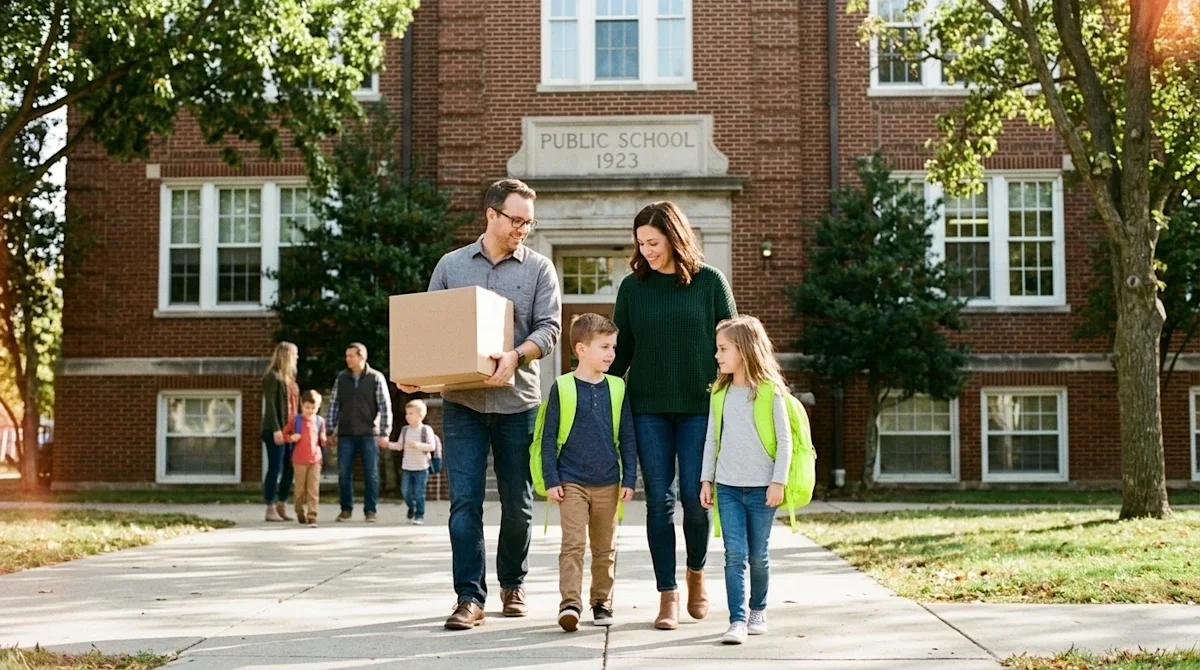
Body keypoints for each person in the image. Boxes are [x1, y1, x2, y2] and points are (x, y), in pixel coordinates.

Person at [399, 178, 562, 631]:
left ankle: (513, 582)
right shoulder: (451, 266)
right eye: (516, 220)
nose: (523, 230)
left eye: (529, 222)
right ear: (491, 214)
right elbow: (431, 331)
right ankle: (469, 597)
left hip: (518, 403)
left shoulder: (539, 270)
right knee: (464, 503)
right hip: (463, 405)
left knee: (518, 502)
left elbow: (550, 329)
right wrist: (420, 376)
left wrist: (515, 355)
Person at [609, 201, 737, 630]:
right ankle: (667, 594)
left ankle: (696, 573)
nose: (646, 250)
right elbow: (620, 354)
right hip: (647, 407)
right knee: (659, 501)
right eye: (641, 243)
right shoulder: (633, 288)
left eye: (654, 242)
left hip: (700, 406)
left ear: (675, 238)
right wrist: (591, 389)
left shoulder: (709, 283)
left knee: (694, 501)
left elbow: (734, 345)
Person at [539, 314, 637, 631]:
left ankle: (601, 602)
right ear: (581, 349)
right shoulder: (562, 387)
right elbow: (548, 437)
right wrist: (552, 480)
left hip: (609, 480)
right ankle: (570, 603)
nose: (611, 353)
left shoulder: (618, 388)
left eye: (613, 347)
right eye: (604, 346)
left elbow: (628, 437)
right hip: (571, 481)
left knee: (604, 548)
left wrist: (630, 478)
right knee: (572, 545)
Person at [699, 316, 793, 645]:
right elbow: (712, 439)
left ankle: (758, 610)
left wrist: (778, 481)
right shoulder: (720, 393)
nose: (717, 355)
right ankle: (737, 620)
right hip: (727, 486)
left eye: (723, 349)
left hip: (762, 488)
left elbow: (785, 441)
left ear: (744, 350)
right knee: (733, 554)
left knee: (758, 556)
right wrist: (706, 479)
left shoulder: (769, 391)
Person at [327, 343, 393, 522]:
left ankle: (370, 510)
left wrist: (384, 432)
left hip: (369, 433)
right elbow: (334, 405)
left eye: (351, 356)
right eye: (347, 356)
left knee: (371, 472)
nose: (347, 359)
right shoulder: (341, 378)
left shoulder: (376, 378)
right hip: (346, 433)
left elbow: (385, 406)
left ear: (362, 356)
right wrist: (330, 430)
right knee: (344, 472)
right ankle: (345, 509)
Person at [262, 342, 300, 523]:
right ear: (286, 355)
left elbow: (295, 408)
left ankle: (281, 504)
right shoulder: (272, 377)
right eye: (295, 354)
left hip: (291, 432)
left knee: (289, 468)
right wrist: (277, 430)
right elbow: (270, 405)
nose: (297, 358)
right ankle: (269, 507)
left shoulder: (290, 380)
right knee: (275, 468)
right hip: (275, 430)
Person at [390, 399, 441, 525]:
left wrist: (418, 445)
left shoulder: (426, 430)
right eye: (407, 413)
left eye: (411, 413)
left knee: (419, 493)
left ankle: (419, 515)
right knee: (405, 491)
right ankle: (411, 506)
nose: (408, 416)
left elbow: (431, 447)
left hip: (422, 467)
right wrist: (388, 444)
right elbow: (400, 445)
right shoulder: (405, 430)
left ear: (420, 415)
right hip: (407, 467)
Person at [290, 389, 328, 528]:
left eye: (314, 408)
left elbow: (322, 436)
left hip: (315, 459)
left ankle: (312, 516)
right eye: (307, 407)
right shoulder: (296, 420)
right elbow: (284, 434)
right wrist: (291, 437)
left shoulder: (319, 421)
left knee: (313, 489)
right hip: (299, 460)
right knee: (300, 490)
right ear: (301, 404)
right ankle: (299, 510)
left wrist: (324, 439)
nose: (310, 410)